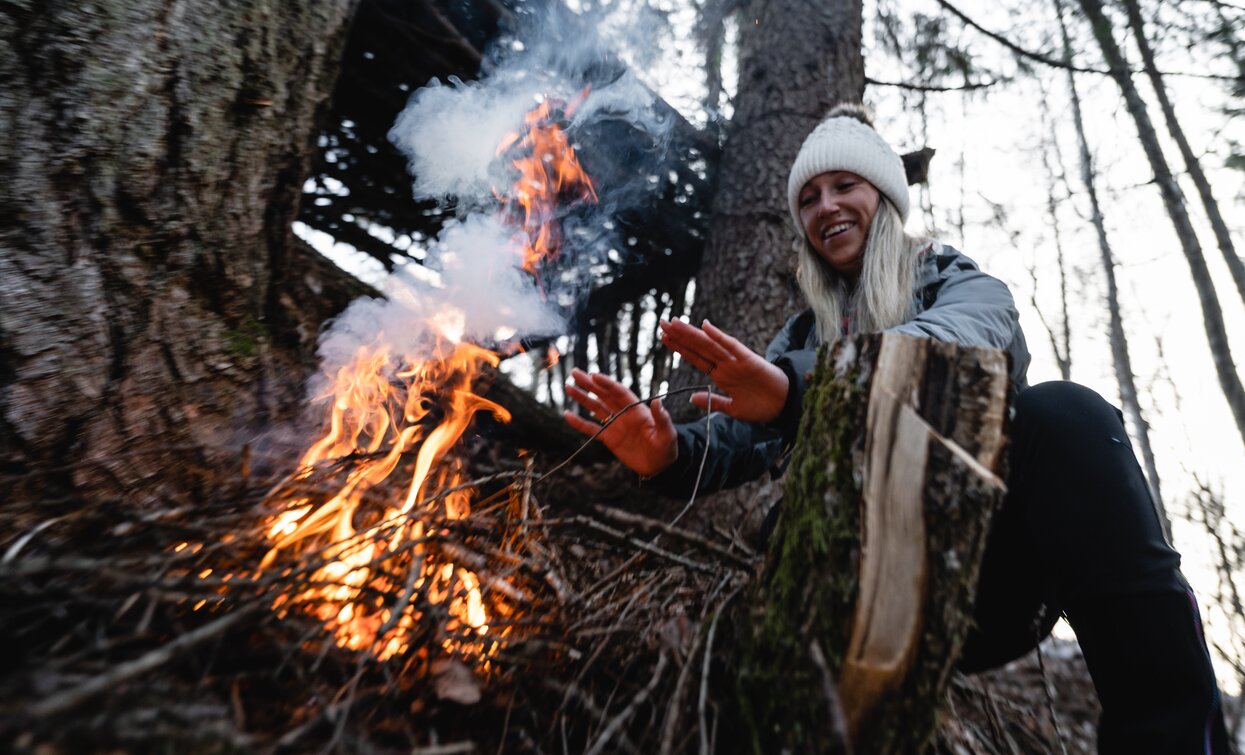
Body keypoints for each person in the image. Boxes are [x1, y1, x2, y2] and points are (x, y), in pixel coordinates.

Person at [562, 104, 1231, 754]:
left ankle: (1169, 736)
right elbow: (737, 438)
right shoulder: (795, 336)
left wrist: (802, 392)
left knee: (1068, 416)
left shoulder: (958, 285)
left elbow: (958, 348)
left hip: (980, 571)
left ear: (883, 194)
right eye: (809, 197)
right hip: (843, 576)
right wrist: (670, 453)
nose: (825, 206)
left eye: (844, 185)